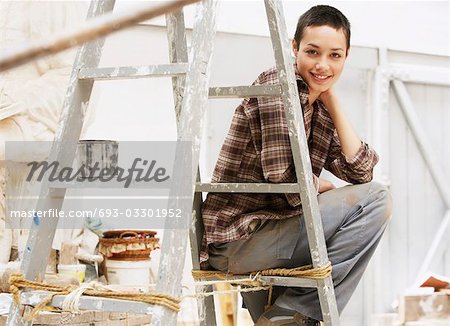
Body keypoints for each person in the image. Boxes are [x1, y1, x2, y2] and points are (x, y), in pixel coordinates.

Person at [200, 5, 392, 325]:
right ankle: (298, 311)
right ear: (294, 47)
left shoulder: (319, 106)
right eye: (312, 52)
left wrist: (333, 101)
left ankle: (288, 314)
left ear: (346, 56)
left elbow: (361, 171)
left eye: (335, 56)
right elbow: (285, 179)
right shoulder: (278, 84)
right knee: (376, 199)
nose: (322, 65)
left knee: (369, 195)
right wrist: (324, 185)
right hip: (242, 238)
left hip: (277, 233)